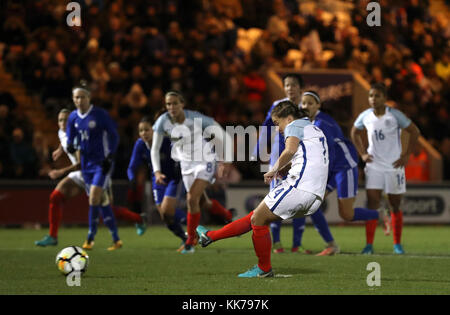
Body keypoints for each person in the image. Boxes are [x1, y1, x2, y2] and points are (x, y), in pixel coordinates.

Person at [196, 101, 329, 277]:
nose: (278, 128)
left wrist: (273, 170)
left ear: (288, 118)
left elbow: (289, 150)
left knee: (258, 218)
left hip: (300, 187)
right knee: (257, 217)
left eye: (277, 123)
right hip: (316, 194)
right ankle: (210, 236)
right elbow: (310, 157)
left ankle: (264, 268)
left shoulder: (294, 124)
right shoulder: (314, 129)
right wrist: (285, 169)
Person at [253, 74, 337, 255]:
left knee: (297, 203)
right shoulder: (279, 106)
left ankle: (296, 244)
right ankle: (276, 243)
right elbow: (267, 126)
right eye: (287, 85)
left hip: (299, 161)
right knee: (275, 200)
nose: (289, 88)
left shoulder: (304, 106)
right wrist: (259, 151)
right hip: (280, 157)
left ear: (300, 88)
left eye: (293, 85)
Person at [35, 108, 146, 247]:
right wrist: (59, 149)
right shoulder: (61, 132)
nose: (63, 123)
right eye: (60, 120)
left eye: (66, 119)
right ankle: (52, 236)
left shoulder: (80, 135)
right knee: (55, 197)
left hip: (94, 171)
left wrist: (60, 172)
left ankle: (138, 219)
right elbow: (63, 139)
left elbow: (81, 164)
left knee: (106, 212)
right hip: (79, 175)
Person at [151, 90, 234, 254]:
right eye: (168, 104)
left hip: (205, 160)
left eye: (175, 103)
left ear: (182, 104)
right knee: (203, 203)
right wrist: (157, 172)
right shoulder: (163, 121)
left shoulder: (195, 118)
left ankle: (191, 241)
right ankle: (228, 216)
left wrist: (227, 161)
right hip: (186, 165)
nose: (172, 107)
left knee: (191, 198)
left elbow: (223, 136)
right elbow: (154, 149)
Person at [351, 83, 421, 254]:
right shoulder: (365, 116)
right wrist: (362, 154)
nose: (373, 99)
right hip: (374, 165)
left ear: (384, 97)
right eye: (371, 96)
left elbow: (415, 132)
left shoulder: (394, 115)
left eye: (377, 96)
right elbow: (354, 132)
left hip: (393, 166)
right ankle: (369, 245)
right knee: (373, 203)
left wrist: (406, 156)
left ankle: (397, 244)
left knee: (395, 204)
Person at [301, 91, 387, 229]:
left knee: (346, 213)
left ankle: (379, 215)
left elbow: (326, 152)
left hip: (344, 166)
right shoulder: (308, 123)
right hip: (333, 167)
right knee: (313, 203)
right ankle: (329, 244)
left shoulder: (321, 123)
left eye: (310, 103)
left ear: (318, 105)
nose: (306, 106)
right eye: (303, 103)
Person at [66, 81, 122, 251]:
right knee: (101, 201)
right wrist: (70, 145)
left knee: (93, 197)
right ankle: (116, 238)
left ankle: (90, 237)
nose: (79, 100)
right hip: (86, 165)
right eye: (76, 97)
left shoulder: (100, 115)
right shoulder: (73, 117)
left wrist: (110, 156)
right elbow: (71, 138)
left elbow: (114, 135)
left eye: (82, 97)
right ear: (73, 99)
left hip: (102, 164)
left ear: (89, 98)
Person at [127, 116, 188, 249]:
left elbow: (181, 151)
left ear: (154, 130)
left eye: (147, 130)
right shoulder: (140, 145)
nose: (144, 133)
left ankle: (194, 225)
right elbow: (132, 166)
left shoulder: (165, 140)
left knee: (167, 210)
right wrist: (131, 178)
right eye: (141, 131)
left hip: (173, 178)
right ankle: (185, 238)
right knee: (165, 216)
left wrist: (181, 165)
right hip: (157, 180)